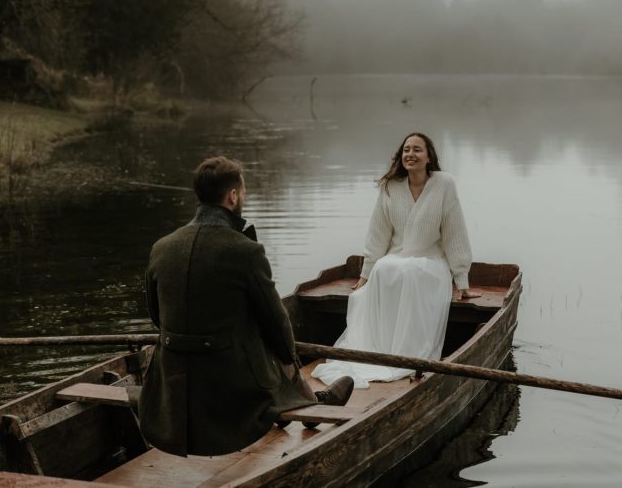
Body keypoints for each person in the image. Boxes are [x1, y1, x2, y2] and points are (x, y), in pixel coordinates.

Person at [139, 156, 354, 457]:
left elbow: (157, 318)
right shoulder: (246, 251)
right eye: (244, 191)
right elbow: (277, 327)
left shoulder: (161, 247)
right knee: (275, 338)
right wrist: (287, 358)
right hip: (227, 378)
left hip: (170, 376)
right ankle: (308, 405)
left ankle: (301, 403)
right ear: (233, 196)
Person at [312, 133, 480, 389]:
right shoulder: (391, 186)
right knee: (385, 267)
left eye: (417, 150)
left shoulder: (444, 184)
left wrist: (462, 280)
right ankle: (380, 350)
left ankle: (407, 352)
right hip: (396, 257)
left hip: (430, 261)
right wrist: (365, 275)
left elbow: (454, 233)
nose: (410, 154)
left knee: (411, 271)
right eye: (406, 150)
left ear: (428, 157)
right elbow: (377, 234)